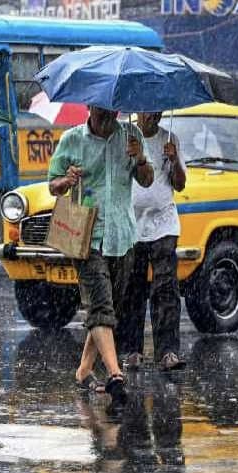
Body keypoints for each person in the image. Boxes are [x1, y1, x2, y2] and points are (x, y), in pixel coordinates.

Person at [48, 106, 154, 407]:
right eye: (99, 108)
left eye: (111, 108)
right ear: (89, 107)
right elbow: (52, 184)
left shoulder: (131, 136)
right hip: (87, 236)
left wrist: (141, 158)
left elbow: (147, 180)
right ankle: (115, 374)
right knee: (100, 306)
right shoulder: (72, 140)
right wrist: (66, 181)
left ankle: (83, 371)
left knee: (108, 311)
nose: (106, 114)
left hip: (123, 235)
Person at [117, 111, 187, 372]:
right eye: (148, 111)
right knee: (131, 290)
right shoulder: (125, 138)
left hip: (164, 224)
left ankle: (168, 351)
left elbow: (179, 185)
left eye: (157, 111)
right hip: (132, 225)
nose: (153, 116)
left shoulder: (170, 139)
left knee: (165, 288)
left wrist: (175, 160)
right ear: (138, 112)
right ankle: (132, 350)